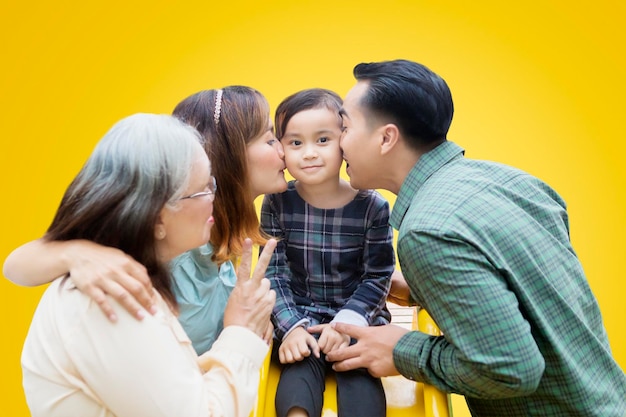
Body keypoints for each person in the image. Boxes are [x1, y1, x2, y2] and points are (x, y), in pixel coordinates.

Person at [322, 58, 626, 416]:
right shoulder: (513, 181)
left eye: (344, 127)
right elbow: (529, 290)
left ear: (386, 137)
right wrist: (425, 289)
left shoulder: (428, 232)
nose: (338, 145)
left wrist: (401, 350)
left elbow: (512, 370)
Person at [20, 113, 277, 417]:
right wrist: (240, 332)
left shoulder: (130, 277)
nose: (213, 199)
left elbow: (162, 387)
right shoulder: (115, 300)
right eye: (202, 190)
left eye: (212, 183)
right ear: (157, 217)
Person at [3, 86, 288, 354]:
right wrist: (74, 253)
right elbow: (16, 266)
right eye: (270, 138)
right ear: (232, 156)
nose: (284, 151)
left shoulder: (222, 237)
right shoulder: (171, 238)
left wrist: (251, 326)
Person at [261, 88, 394, 417]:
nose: (308, 153)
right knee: (297, 368)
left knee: (359, 369)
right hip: (302, 319)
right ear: (281, 148)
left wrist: (346, 323)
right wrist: (291, 327)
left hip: (357, 320)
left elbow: (377, 276)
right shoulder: (277, 202)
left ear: (344, 142)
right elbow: (274, 273)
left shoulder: (372, 206)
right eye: (295, 143)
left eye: (323, 140)